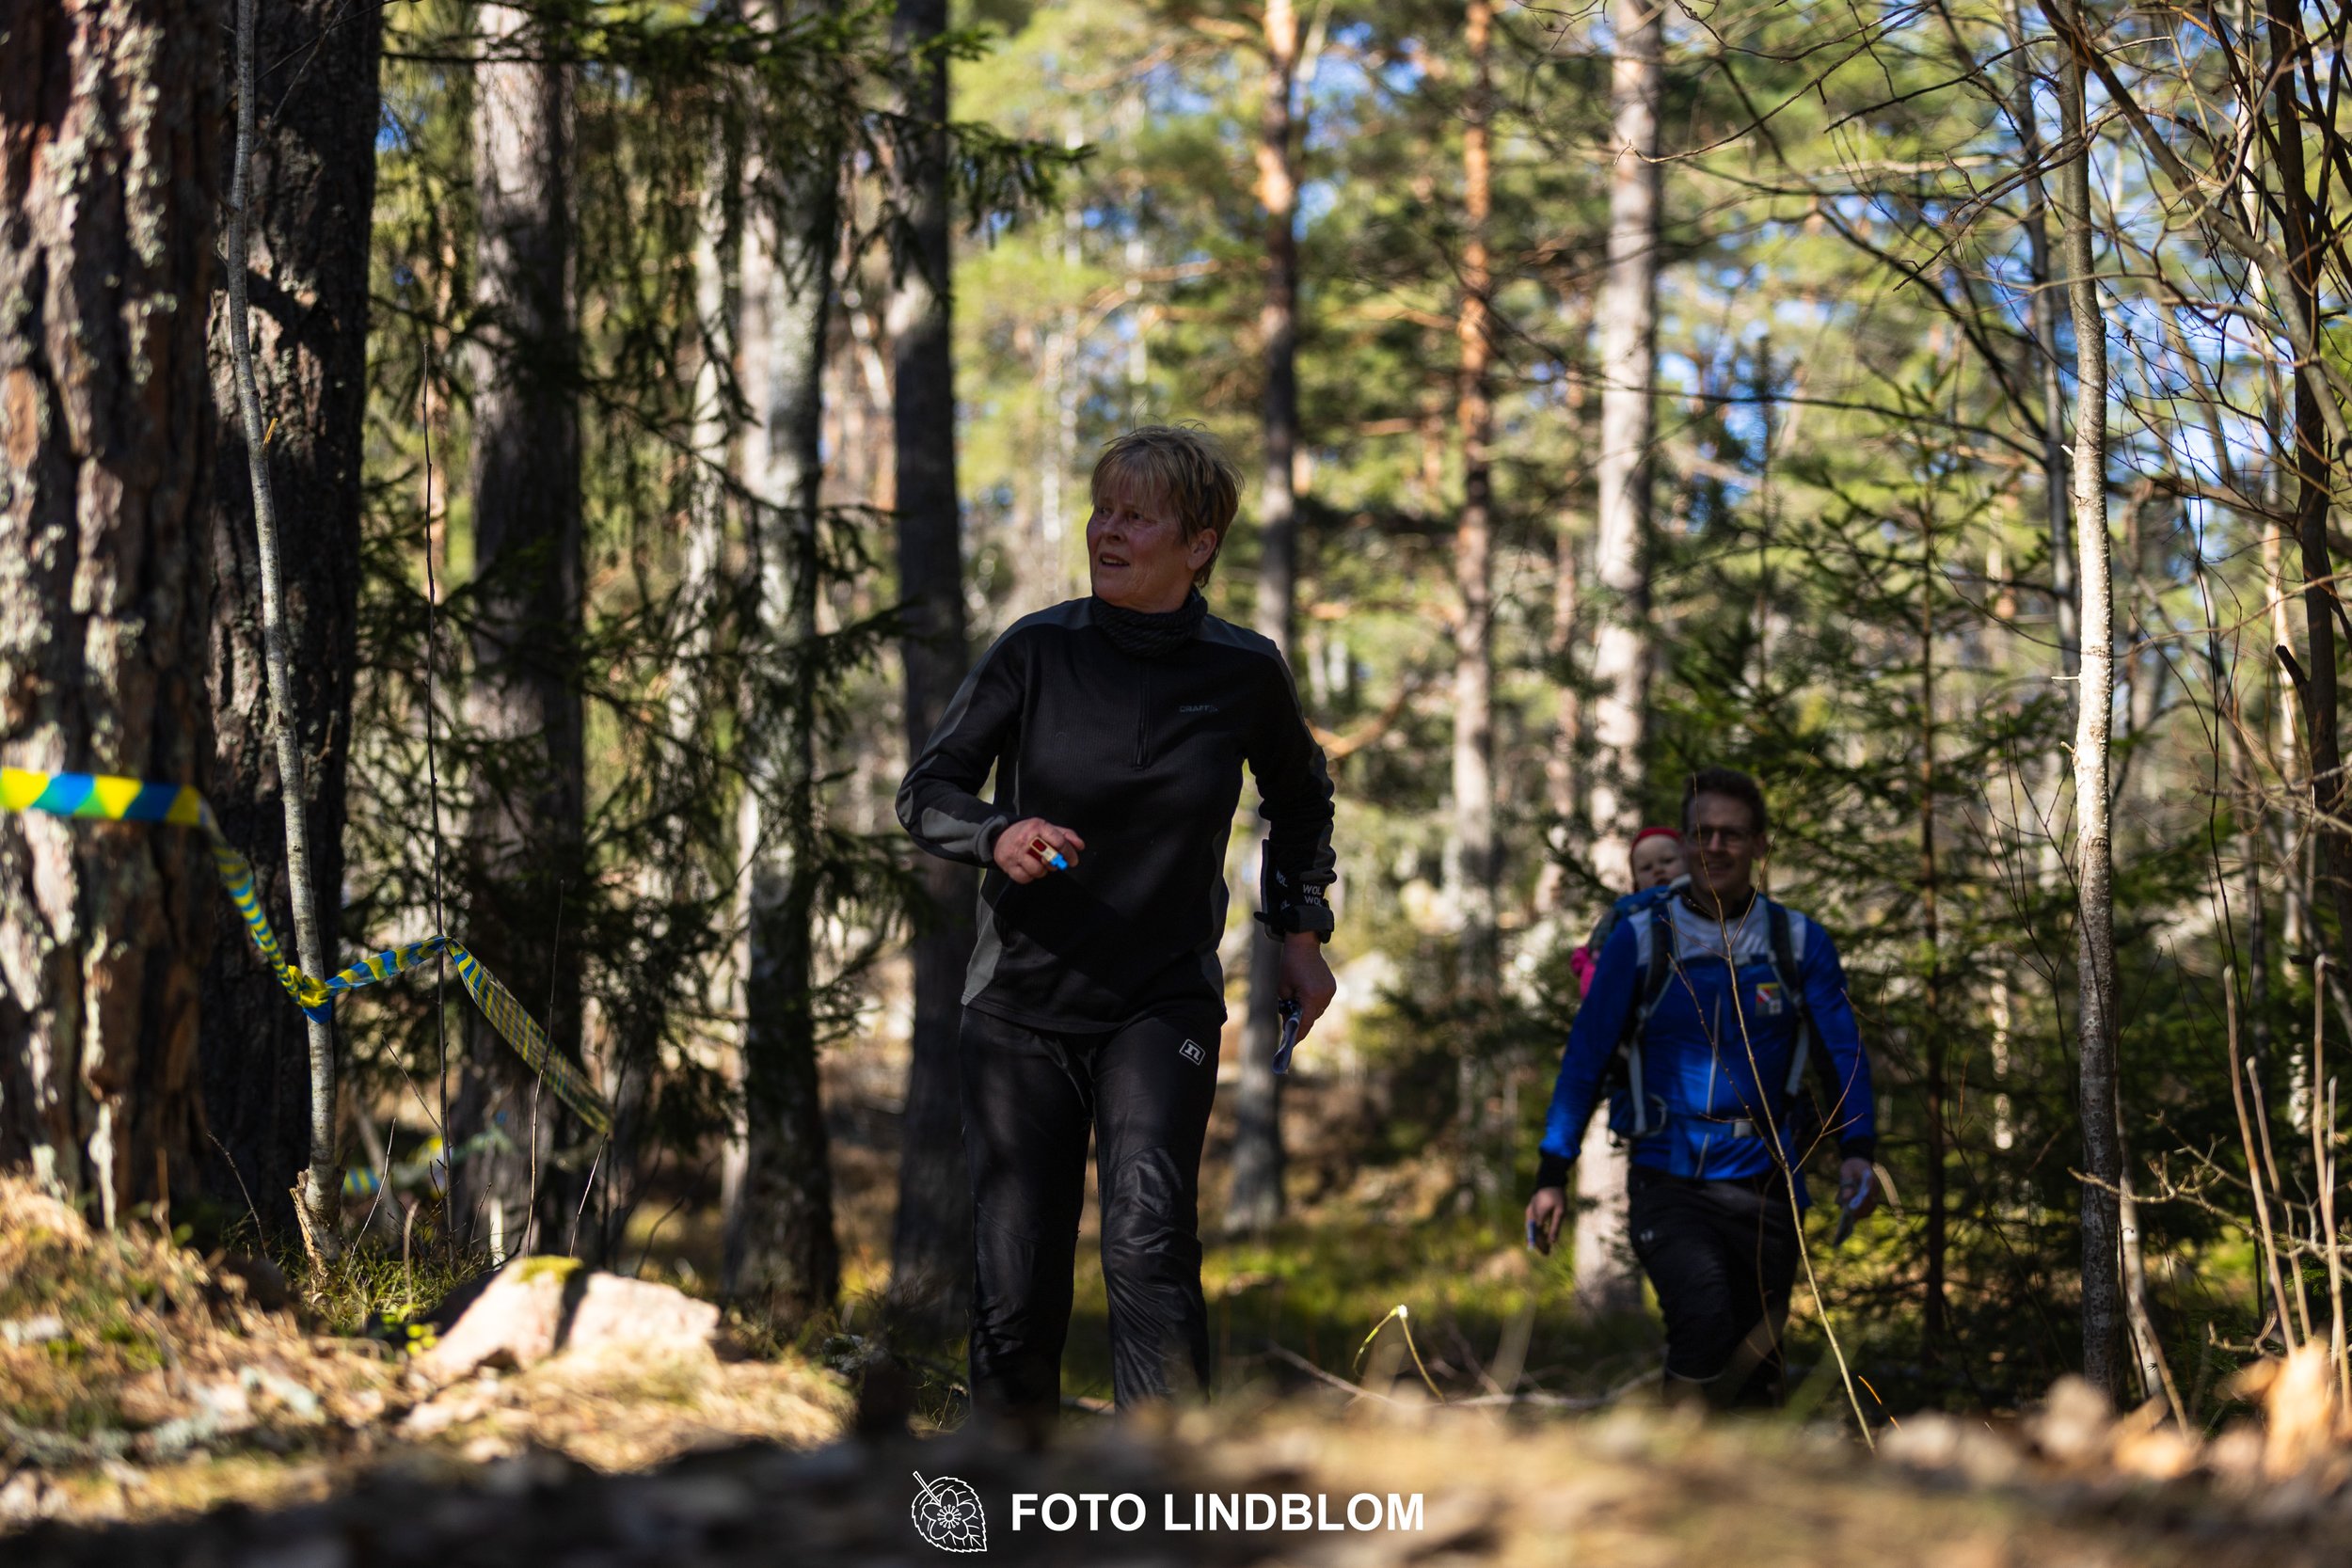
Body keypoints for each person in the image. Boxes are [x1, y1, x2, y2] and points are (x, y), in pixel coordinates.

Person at [897, 424, 1338, 1426]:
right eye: (1103, 508)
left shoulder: (1242, 670)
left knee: (1147, 1236)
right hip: (1020, 1007)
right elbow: (926, 791)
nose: (1110, 529)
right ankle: (1009, 1494)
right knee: (1017, 1277)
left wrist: (1299, 934)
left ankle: (1168, 1483)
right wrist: (997, 833)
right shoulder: (1037, 650)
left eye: (1138, 514)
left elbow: (1300, 794)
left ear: (1200, 543)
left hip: (1160, 998)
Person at [1525, 768, 1878, 1404]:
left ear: (1760, 844)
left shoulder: (1797, 942)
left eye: (1732, 834)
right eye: (1702, 833)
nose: (1715, 846)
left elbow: (1843, 1053)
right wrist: (1553, 1170)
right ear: (1685, 843)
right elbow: (1587, 1057)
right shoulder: (1639, 937)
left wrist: (1860, 1151)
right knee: (1704, 1321)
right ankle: (1679, 1468)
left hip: (1769, 1180)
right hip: (1669, 1176)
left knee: (1758, 1362)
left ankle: (1741, 1492)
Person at [1568, 827, 1687, 997]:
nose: (1658, 870)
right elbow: (1598, 954)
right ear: (1636, 880)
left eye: (1667, 861)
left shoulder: (1704, 904)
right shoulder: (1626, 912)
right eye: (1646, 868)